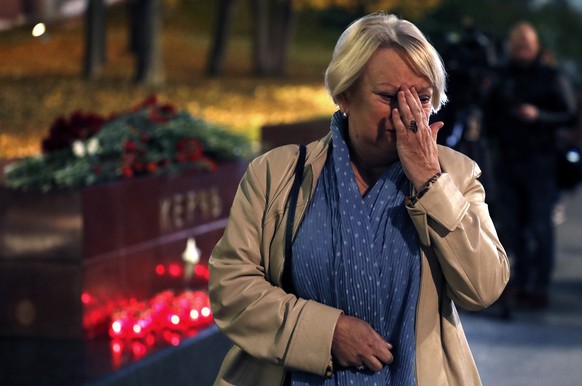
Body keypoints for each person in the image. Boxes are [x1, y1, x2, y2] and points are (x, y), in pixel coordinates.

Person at [209, 12, 509, 386]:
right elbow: (231, 288)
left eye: (423, 98)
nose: (408, 114)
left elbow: (484, 289)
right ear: (344, 93)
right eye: (388, 96)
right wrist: (325, 333)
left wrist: (431, 183)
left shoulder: (456, 176)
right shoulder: (277, 174)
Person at [484, 22, 577, 311]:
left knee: (539, 225)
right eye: (518, 46)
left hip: (540, 160)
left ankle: (538, 286)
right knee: (512, 226)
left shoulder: (550, 76)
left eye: (527, 45)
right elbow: (488, 113)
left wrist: (538, 116)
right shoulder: (501, 75)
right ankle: (519, 282)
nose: (523, 50)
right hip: (508, 159)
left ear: (535, 46)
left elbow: (569, 114)